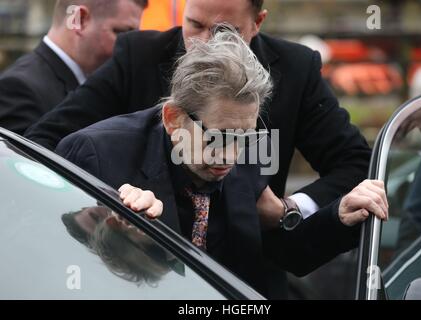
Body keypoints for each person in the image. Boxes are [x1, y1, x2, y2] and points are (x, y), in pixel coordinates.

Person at [56, 28, 388, 299]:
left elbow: (280, 252)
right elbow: (61, 268)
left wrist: (339, 216)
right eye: (218, 138)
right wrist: (119, 232)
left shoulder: (243, 150)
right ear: (173, 118)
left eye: (245, 137)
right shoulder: (95, 154)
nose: (230, 156)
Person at [25, 0, 372, 221]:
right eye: (194, 25)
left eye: (225, 32)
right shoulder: (140, 56)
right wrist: (111, 206)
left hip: (248, 270)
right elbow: (42, 144)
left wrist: (288, 210)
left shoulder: (296, 69)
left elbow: (355, 162)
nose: (204, 44)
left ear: (258, 22)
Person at [0, 0, 147, 135]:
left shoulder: (109, 85)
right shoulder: (18, 88)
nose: (129, 46)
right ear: (80, 20)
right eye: (122, 32)